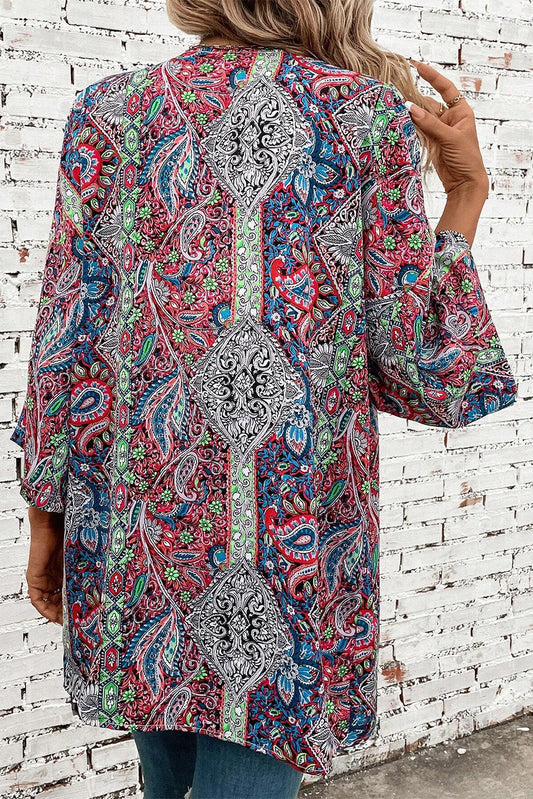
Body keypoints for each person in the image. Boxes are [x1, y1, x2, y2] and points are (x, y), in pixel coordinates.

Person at [10, 0, 518, 797]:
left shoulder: (106, 109)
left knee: (166, 772)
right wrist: (464, 191)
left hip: (139, 523)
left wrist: (47, 511)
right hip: (290, 536)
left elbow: (65, 329)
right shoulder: (364, 116)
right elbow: (420, 363)